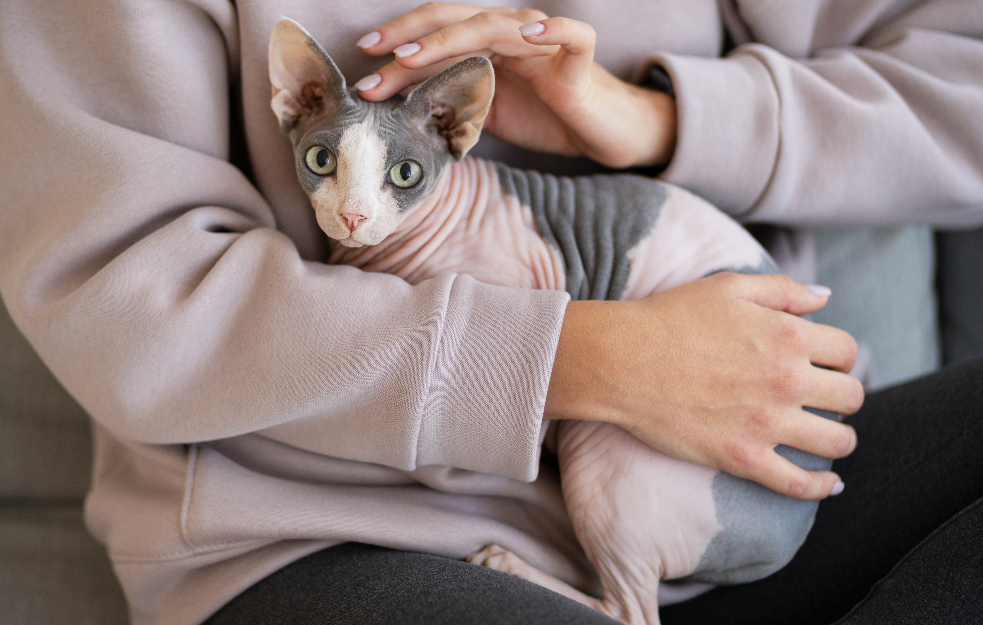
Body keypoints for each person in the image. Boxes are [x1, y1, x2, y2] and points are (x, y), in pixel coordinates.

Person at [0, 1, 980, 624]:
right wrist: (589, 359)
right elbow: (129, 297)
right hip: (340, 533)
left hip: (731, 466)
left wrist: (662, 117)